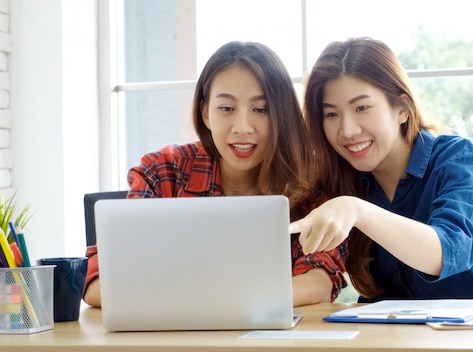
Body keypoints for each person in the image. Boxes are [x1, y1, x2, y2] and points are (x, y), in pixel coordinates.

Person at [290, 37, 473, 304]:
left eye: (362, 107)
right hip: (430, 337)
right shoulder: (345, 184)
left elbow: (447, 251)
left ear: (402, 109)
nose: (347, 130)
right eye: (331, 114)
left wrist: (357, 211)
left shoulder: (458, 160)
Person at [83, 41, 347, 308]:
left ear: (281, 114)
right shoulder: (165, 171)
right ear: (206, 114)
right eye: (226, 108)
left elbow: (319, 282)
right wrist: (209, 302)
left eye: (260, 109)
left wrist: (202, 299)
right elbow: (97, 281)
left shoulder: (310, 180)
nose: (242, 127)